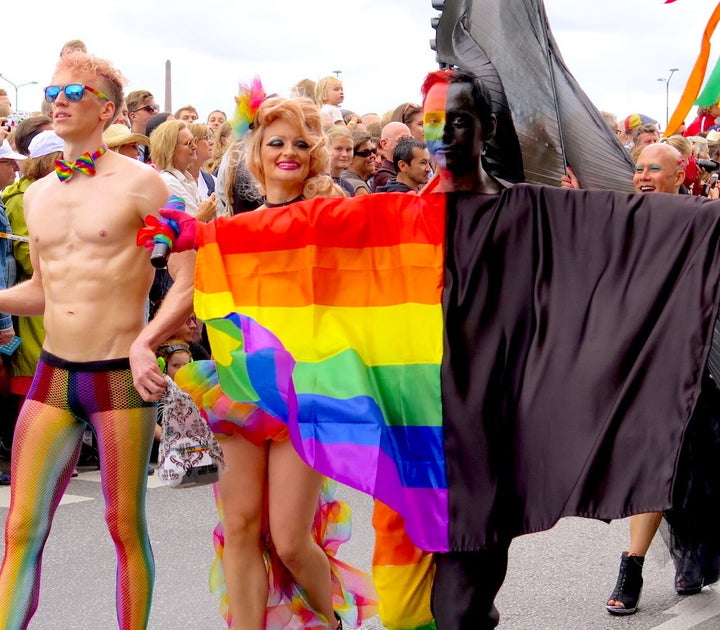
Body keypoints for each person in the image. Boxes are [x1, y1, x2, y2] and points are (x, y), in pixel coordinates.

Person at [0, 50, 195, 630]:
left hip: (118, 376)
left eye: (74, 93)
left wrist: (148, 342)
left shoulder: (146, 185)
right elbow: (42, 288)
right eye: (53, 92)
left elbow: (188, 281)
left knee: (124, 526)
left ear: (106, 108)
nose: (58, 100)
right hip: (54, 374)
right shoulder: (37, 195)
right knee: (21, 526)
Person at [173, 95, 374, 630]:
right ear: (256, 154)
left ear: (315, 156)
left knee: (288, 538)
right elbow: (190, 292)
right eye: (276, 142)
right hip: (241, 388)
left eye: (300, 143)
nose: (288, 152)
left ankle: (327, 623)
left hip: (305, 394)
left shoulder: (331, 216)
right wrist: (154, 335)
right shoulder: (229, 228)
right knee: (239, 526)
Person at [150, 119, 217, 218]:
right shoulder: (169, 182)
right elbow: (183, 228)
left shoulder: (185, 177)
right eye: (188, 143)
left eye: (194, 141)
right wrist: (203, 215)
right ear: (170, 149)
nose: (194, 146)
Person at [371, 122, 412, 191]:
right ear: (384, 144)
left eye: (410, 139)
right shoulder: (383, 175)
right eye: (402, 140)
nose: (409, 145)